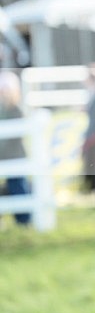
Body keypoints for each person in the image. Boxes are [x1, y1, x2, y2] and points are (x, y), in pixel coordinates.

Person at [0, 71, 31, 226]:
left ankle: (24, 220)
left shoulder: (16, 110)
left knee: (18, 185)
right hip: (4, 156)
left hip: (15, 156)